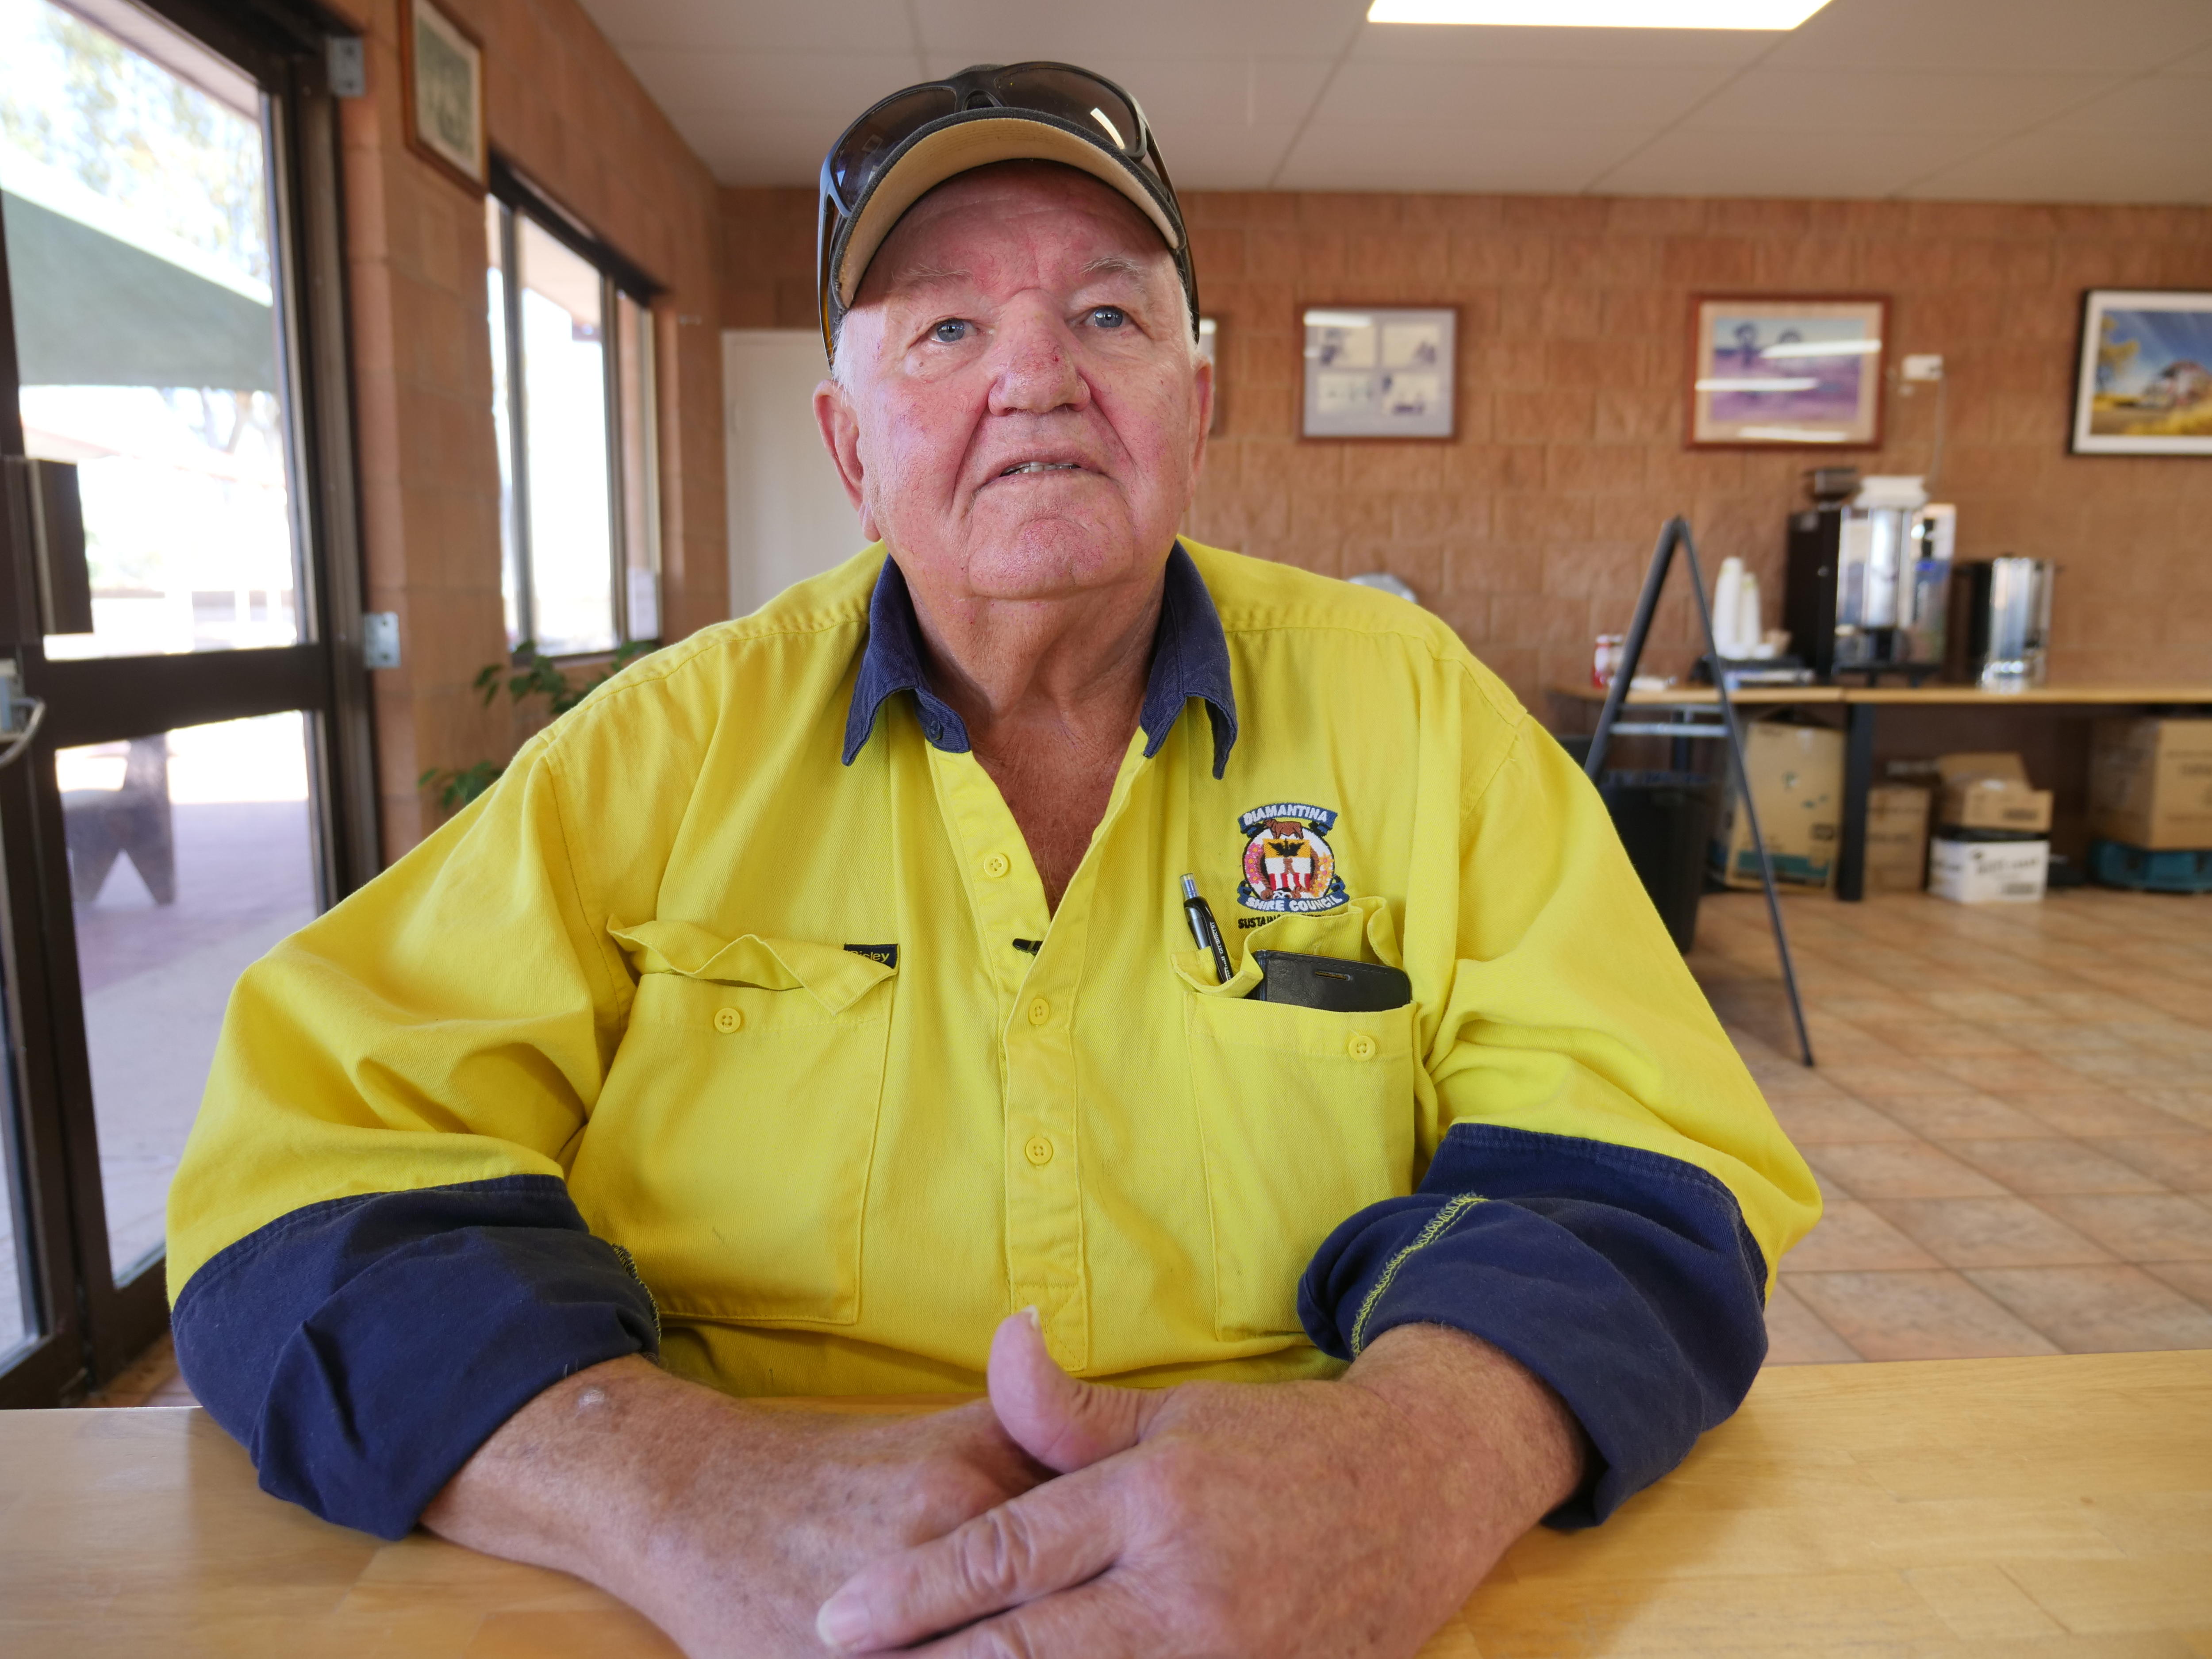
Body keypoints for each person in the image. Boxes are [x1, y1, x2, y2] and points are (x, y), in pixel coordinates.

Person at [168, 61, 1818, 1658]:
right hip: (768, 1609)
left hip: (1301, 1591)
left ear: (1199, 398)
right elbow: (298, 1192)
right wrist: (664, 1484)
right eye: (947, 326)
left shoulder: (1420, 718)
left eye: (1109, 315)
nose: (1037, 374)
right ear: (848, 447)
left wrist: (1415, 1464)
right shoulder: (660, 752)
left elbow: (1646, 1160)